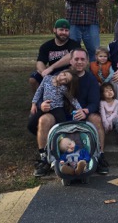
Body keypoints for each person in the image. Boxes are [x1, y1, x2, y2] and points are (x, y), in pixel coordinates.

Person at [30, 48, 109, 177]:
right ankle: (44, 158)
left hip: (81, 113)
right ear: (70, 60)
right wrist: (40, 104)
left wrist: (86, 111)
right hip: (58, 112)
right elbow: (40, 93)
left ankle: (99, 156)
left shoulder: (91, 80)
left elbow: (95, 102)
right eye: (76, 59)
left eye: (83, 59)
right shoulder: (60, 75)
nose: (79, 62)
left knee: (96, 119)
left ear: (88, 61)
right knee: (44, 120)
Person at [29, 19, 80, 93]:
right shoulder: (46, 46)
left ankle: (67, 100)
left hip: (67, 71)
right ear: (54, 30)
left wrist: (51, 68)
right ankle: (38, 100)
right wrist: (44, 73)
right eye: (61, 30)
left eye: (66, 30)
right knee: (33, 79)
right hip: (51, 72)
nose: (64, 32)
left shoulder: (74, 44)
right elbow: (40, 62)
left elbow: (72, 55)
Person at [99, 82, 118, 147]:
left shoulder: (116, 101)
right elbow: (102, 114)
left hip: (115, 118)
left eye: (111, 90)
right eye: (106, 91)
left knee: (117, 120)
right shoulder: (102, 102)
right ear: (102, 94)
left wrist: (109, 121)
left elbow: (115, 113)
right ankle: (99, 141)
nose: (109, 92)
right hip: (106, 119)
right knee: (100, 121)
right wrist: (106, 122)